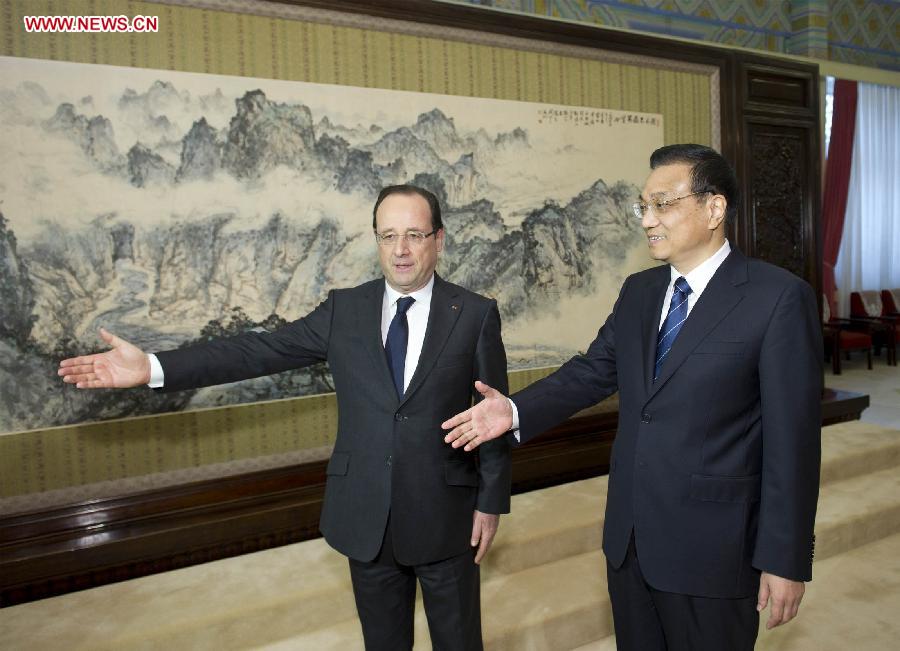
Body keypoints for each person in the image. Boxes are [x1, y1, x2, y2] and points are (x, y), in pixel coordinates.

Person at [59, 184, 510, 651]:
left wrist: (491, 500)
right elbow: (257, 350)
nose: (400, 250)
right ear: (375, 239)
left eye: (414, 235)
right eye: (387, 235)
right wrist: (153, 366)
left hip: (447, 516)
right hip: (365, 518)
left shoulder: (474, 314)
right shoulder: (344, 310)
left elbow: (492, 413)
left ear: (438, 239)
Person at [442, 144, 821, 651]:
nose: (647, 220)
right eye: (643, 206)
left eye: (663, 204)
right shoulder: (639, 291)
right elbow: (593, 371)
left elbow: (792, 443)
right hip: (631, 543)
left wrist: (784, 557)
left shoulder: (776, 298)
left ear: (714, 208)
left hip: (716, 550)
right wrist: (512, 410)